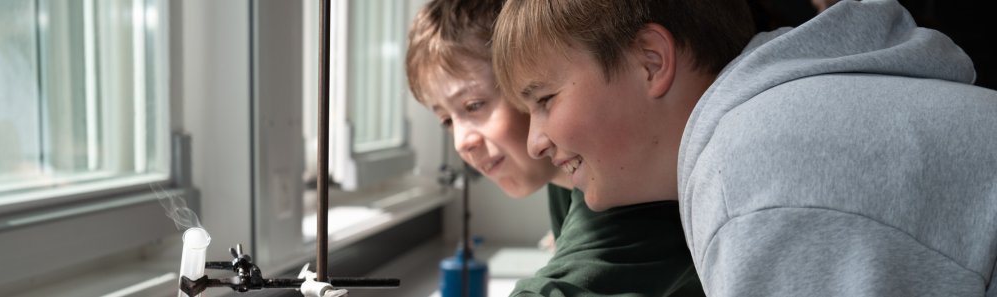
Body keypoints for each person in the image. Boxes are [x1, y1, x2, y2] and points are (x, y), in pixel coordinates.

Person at [492, 0, 997, 295]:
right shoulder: (769, 124)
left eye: (545, 99)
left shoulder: (750, 180)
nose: (536, 142)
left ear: (651, 62)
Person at [405, 0, 703, 296]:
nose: (462, 142)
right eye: (445, 120)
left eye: (474, 105)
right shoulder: (567, 183)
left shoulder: (617, 185)